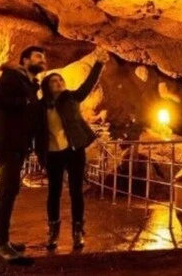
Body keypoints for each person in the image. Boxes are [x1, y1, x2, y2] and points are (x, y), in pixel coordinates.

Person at [35, 50, 106, 250]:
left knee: (76, 191)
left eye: (60, 80)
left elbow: (88, 84)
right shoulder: (40, 107)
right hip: (52, 153)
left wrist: (99, 64)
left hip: (74, 150)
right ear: (47, 86)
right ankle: (53, 232)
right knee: (54, 192)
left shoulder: (72, 98)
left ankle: (77, 231)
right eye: (54, 81)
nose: (59, 82)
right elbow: (36, 132)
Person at [0, 45, 46, 261]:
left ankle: (2, 240)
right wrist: (25, 102)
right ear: (25, 60)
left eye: (43, 58)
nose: (43, 60)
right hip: (7, 142)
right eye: (38, 57)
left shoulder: (31, 85)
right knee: (7, 190)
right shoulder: (12, 77)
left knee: (10, 191)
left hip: (19, 144)